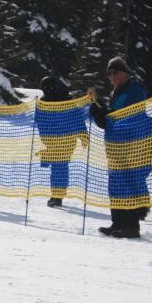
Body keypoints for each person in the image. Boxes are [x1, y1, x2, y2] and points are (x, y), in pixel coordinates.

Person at [87, 57, 152, 239]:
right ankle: (118, 222)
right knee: (116, 183)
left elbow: (129, 116)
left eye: (115, 72)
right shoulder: (116, 92)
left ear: (125, 73)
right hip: (117, 146)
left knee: (128, 183)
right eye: (109, 73)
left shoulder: (134, 90)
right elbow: (112, 119)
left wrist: (106, 114)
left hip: (133, 144)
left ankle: (131, 226)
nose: (112, 76)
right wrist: (98, 109)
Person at [37, 76, 86, 208]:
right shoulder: (43, 102)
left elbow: (77, 119)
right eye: (46, 88)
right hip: (51, 141)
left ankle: (57, 195)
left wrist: (83, 135)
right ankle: (56, 194)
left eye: (51, 87)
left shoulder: (66, 101)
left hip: (66, 140)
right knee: (56, 166)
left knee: (60, 166)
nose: (49, 89)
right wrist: (44, 137)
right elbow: (39, 120)